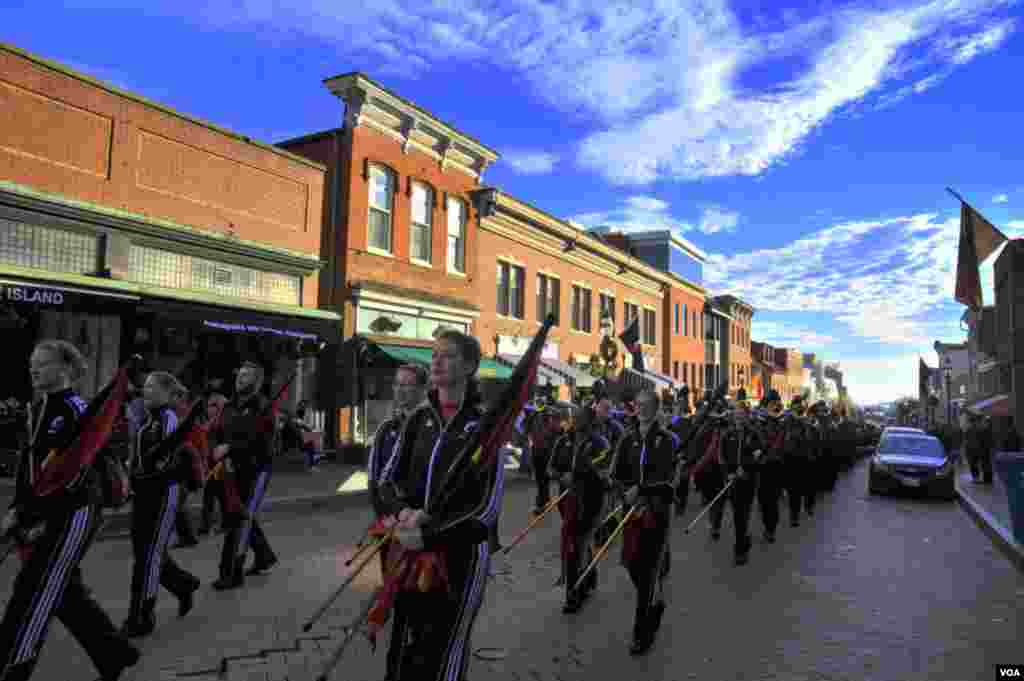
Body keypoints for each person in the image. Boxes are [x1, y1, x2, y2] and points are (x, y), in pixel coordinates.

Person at [0, 340, 140, 681]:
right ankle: (114, 654)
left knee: (35, 592)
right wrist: (18, 509)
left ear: (64, 369)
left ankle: (10, 669)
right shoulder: (38, 408)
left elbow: (74, 472)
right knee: (65, 593)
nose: (33, 368)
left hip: (71, 513)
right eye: (32, 362)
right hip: (39, 511)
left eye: (43, 363)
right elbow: (31, 468)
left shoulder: (78, 411)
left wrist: (36, 514)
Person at [375, 330, 502, 681]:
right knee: (404, 644)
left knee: (444, 649)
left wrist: (430, 534)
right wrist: (402, 512)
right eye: (434, 354)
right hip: (410, 549)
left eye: (447, 355)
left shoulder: (486, 426)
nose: (437, 361)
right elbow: (386, 480)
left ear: (470, 366)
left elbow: (486, 510)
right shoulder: (419, 419)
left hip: (460, 557)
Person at [121, 372, 201, 638]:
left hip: (163, 494)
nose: (146, 391)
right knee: (146, 551)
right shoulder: (146, 419)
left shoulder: (167, 418)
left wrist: (146, 475)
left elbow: (166, 459)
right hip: (143, 493)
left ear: (167, 393)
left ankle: (142, 616)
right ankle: (183, 585)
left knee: (149, 555)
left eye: (153, 387)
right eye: (145, 387)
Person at [610, 389, 676, 655]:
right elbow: (616, 474)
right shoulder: (627, 439)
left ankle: (642, 632)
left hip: (655, 513)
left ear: (657, 408)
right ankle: (655, 601)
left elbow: (668, 478)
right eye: (639, 405)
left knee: (647, 570)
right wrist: (625, 491)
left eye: (648, 405)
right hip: (631, 513)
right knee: (631, 563)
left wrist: (643, 490)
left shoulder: (667, 440)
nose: (642, 409)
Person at [211, 361, 277, 590]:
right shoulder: (228, 406)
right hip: (231, 469)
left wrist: (229, 448)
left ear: (256, 382)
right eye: (240, 373)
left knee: (239, 519)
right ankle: (264, 556)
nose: (241, 377)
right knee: (237, 514)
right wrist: (216, 447)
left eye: (247, 375)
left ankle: (232, 573)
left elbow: (257, 438)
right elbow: (218, 431)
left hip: (256, 469)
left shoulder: (263, 407)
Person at [547, 406, 610, 613]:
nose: (576, 421)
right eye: (575, 418)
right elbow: (550, 468)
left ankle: (573, 595)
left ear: (591, 421)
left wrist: (587, 473)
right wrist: (561, 476)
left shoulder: (600, 444)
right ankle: (589, 575)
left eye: (581, 418)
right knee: (577, 544)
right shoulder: (563, 441)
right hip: (567, 502)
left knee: (576, 545)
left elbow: (606, 473)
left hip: (591, 502)